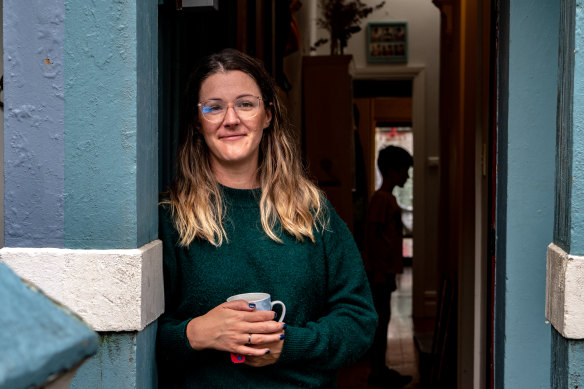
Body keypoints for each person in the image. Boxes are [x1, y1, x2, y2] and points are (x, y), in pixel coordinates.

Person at [156, 48, 377, 389]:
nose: (231, 119)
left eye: (246, 103)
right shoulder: (173, 220)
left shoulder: (311, 212)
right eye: (213, 107)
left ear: (268, 115)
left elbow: (359, 321)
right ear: (198, 123)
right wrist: (196, 333)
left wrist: (289, 344)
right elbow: (144, 337)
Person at [364, 145, 413, 389]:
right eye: (406, 171)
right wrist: (381, 273)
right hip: (379, 274)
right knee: (380, 321)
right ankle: (377, 372)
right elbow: (371, 237)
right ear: (393, 172)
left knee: (385, 319)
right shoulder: (381, 199)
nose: (408, 176)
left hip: (386, 272)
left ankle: (380, 369)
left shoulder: (388, 198)